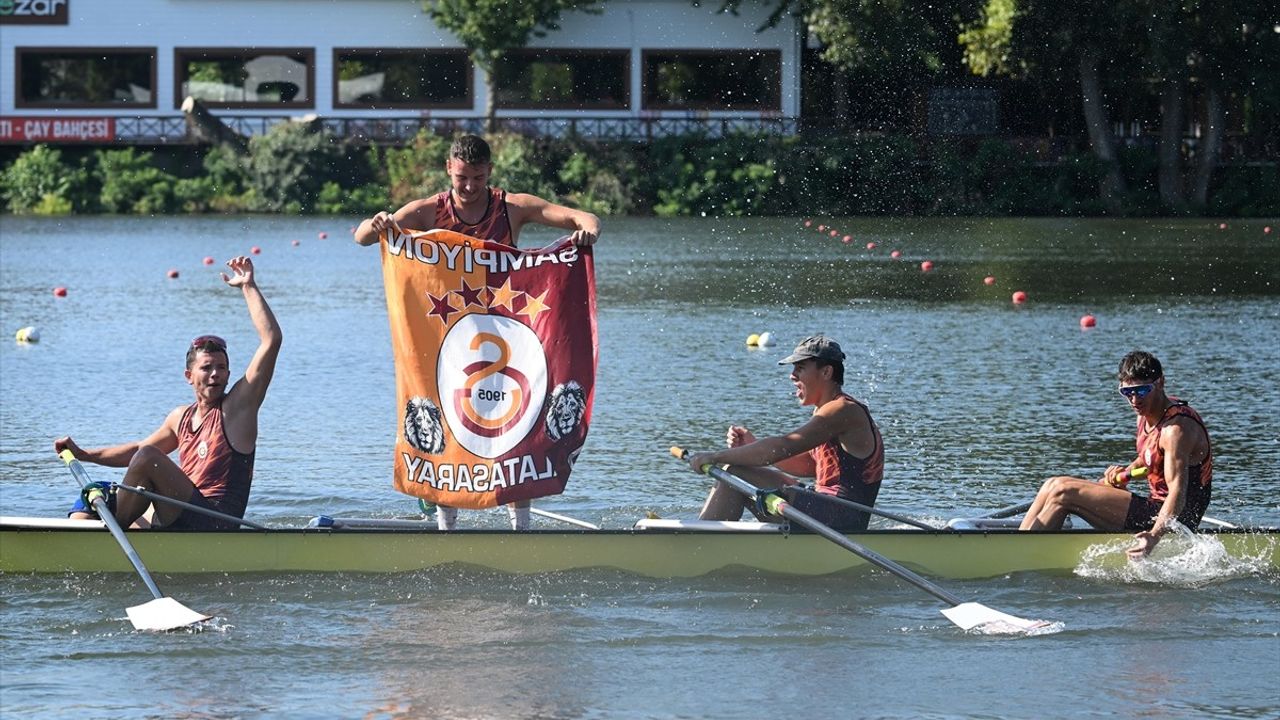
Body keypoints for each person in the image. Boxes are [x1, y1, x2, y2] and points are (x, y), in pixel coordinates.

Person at [354, 133, 601, 531]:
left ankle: (521, 528)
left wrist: (587, 232)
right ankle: (445, 528)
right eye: (462, 179)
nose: (469, 188)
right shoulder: (428, 211)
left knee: (515, 426)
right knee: (446, 421)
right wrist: (377, 222)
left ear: (489, 173)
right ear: (449, 170)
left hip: (504, 335)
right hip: (446, 338)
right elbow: (363, 238)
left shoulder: (512, 207)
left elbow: (583, 218)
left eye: (478, 179)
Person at [56, 256, 282, 530]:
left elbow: (271, 341)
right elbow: (136, 451)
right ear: (189, 376)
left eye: (221, 368)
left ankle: (113, 531)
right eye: (207, 367)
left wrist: (248, 285)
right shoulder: (180, 417)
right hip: (182, 514)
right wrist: (85, 455)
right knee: (95, 495)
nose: (215, 374)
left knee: (149, 459)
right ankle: (86, 540)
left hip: (215, 523)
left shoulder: (237, 409)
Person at [1019, 351, 1212, 558]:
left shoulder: (1175, 430)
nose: (1135, 400)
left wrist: (1154, 536)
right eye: (1127, 392)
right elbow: (1149, 459)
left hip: (1175, 520)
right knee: (1053, 484)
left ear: (1161, 383)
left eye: (1142, 390)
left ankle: (1019, 557)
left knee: (1063, 493)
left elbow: (1177, 492)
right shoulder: (1146, 414)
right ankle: (1017, 543)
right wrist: (1126, 473)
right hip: (1155, 507)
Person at [687, 335, 884, 532]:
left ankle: (700, 539)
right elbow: (808, 465)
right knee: (737, 474)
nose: (792, 376)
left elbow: (783, 446)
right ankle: (708, 534)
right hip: (823, 509)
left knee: (735, 473)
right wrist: (750, 447)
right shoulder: (826, 410)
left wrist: (715, 456)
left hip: (842, 517)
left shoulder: (842, 410)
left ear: (826, 372)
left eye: (800, 368)